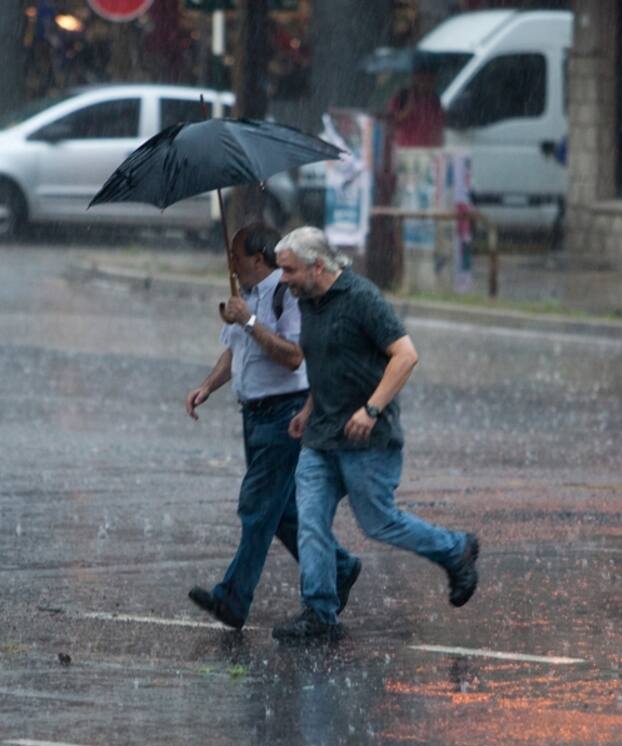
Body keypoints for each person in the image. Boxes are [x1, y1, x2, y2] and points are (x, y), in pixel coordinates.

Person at [270, 227, 478, 641]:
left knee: (379, 523)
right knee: (310, 522)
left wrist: (371, 409)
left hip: (367, 439)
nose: (284, 279)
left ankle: (456, 549)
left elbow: (406, 355)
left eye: (290, 270)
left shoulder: (361, 298)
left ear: (317, 266)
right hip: (321, 437)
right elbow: (326, 363)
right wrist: (309, 410)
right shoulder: (307, 301)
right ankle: (319, 613)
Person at [184, 223, 361, 630]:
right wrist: (207, 386)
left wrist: (249, 322)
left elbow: (295, 356)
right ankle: (340, 566)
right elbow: (235, 350)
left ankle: (232, 599)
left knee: (257, 506)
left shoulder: (286, 294)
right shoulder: (243, 298)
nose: (231, 264)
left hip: (285, 414)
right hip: (253, 415)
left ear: (259, 259)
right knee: (280, 513)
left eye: (237, 257)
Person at [385, 61, 445, 148]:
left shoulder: (435, 99)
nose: (427, 81)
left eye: (431, 78)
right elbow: (389, 123)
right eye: (423, 77)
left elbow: (439, 125)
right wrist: (406, 111)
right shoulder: (402, 97)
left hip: (430, 151)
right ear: (415, 77)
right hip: (405, 151)